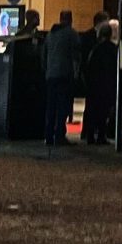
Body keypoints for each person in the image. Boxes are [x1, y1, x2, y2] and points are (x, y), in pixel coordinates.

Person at [43, 10, 81, 145]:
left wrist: (47, 70)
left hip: (51, 75)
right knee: (62, 106)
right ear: (71, 19)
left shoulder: (50, 34)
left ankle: (48, 136)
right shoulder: (71, 34)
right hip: (65, 74)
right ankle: (59, 135)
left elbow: (44, 55)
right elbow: (76, 56)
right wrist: (76, 73)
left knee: (51, 107)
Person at [82, 15, 117, 144]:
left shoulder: (96, 49)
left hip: (95, 84)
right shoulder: (113, 49)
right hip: (106, 84)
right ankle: (101, 135)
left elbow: (90, 66)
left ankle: (90, 135)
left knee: (92, 109)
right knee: (103, 111)